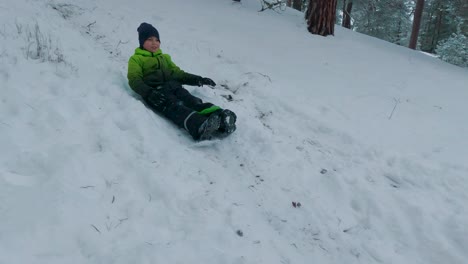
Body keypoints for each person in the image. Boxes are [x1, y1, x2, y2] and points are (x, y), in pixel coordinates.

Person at [127, 22, 236, 140]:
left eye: (157, 40)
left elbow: (178, 74)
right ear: (142, 42)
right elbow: (134, 79)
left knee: (192, 100)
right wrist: (149, 92)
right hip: (157, 94)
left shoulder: (164, 58)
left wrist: (198, 79)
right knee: (176, 108)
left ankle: (221, 117)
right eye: (150, 39)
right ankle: (200, 125)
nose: (154, 43)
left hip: (174, 87)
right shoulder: (136, 59)